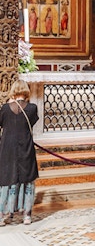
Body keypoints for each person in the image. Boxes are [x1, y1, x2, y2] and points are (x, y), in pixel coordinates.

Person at [0, 80, 39, 225]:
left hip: (7, 148)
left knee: (6, 178)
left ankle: (2, 214)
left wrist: (11, 103)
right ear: (26, 91)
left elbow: (2, 123)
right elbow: (32, 122)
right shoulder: (32, 108)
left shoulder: (4, 108)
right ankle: (26, 215)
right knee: (27, 178)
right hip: (25, 147)